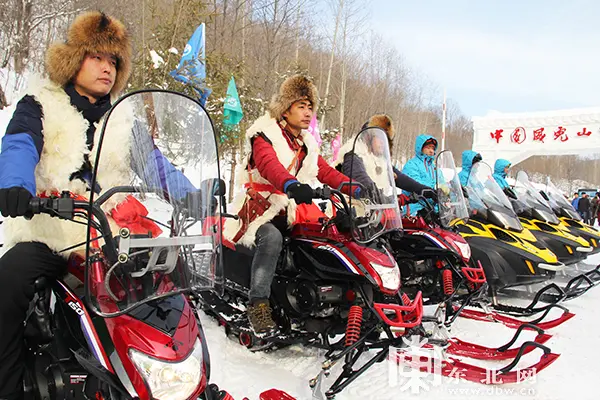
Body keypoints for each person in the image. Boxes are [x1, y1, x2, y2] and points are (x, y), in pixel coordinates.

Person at [0, 12, 195, 399]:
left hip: (115, 226)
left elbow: (154, 164)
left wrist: (193, 192)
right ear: (75, 60)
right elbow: (20, 146)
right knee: (10, 277)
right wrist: (15, 186)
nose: (108, 68)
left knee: (176, 273)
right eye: (98, 58)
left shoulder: (123, 117)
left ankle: (178, 373)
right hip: (53, 223)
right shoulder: (38, 104)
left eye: (114, 61)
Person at [223, 74, 359, 337]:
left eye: (310, 107)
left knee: (325, 234)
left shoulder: (306, 143)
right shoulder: (264, 135)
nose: (308, 113)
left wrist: (353, 187)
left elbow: (325, 171)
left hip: (289, 210)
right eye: (301, 106)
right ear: (286, 108)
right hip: (258, 212)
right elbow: (268, 165)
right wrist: (290, 184)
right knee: (272, 239)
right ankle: (258, 304)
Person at [333, 114, 437, 202]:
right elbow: (360, 176)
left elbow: (401, 179)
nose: (383, 143)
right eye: (380, 138)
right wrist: (376, 193)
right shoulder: (353, 155)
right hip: (351, 210)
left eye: (386, 139)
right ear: (369, 137)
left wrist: (425, 190)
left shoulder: (380, 161)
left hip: (374, 213)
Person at [401, 134, 438, 214]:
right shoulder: (411, 165)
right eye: (428, 148)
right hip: (415, 209)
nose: (431, 151)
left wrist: (447, 189)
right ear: (420, 148)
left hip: (432, 210)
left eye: (433, 148)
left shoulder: (434, 168)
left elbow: (441, 183)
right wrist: (432, 191)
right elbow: (415, 184)